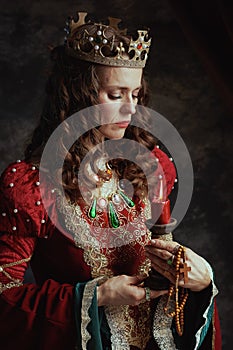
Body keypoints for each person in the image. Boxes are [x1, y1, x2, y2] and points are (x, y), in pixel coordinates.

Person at [0, 12, 221, 350]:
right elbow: (5, 297)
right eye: (116, 95)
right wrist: (98, 295)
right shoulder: (31, 187)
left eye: (135, 94)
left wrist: (199, 279)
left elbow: (164, 252)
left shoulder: (152, 165)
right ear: (79, 97)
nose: (130, 109)